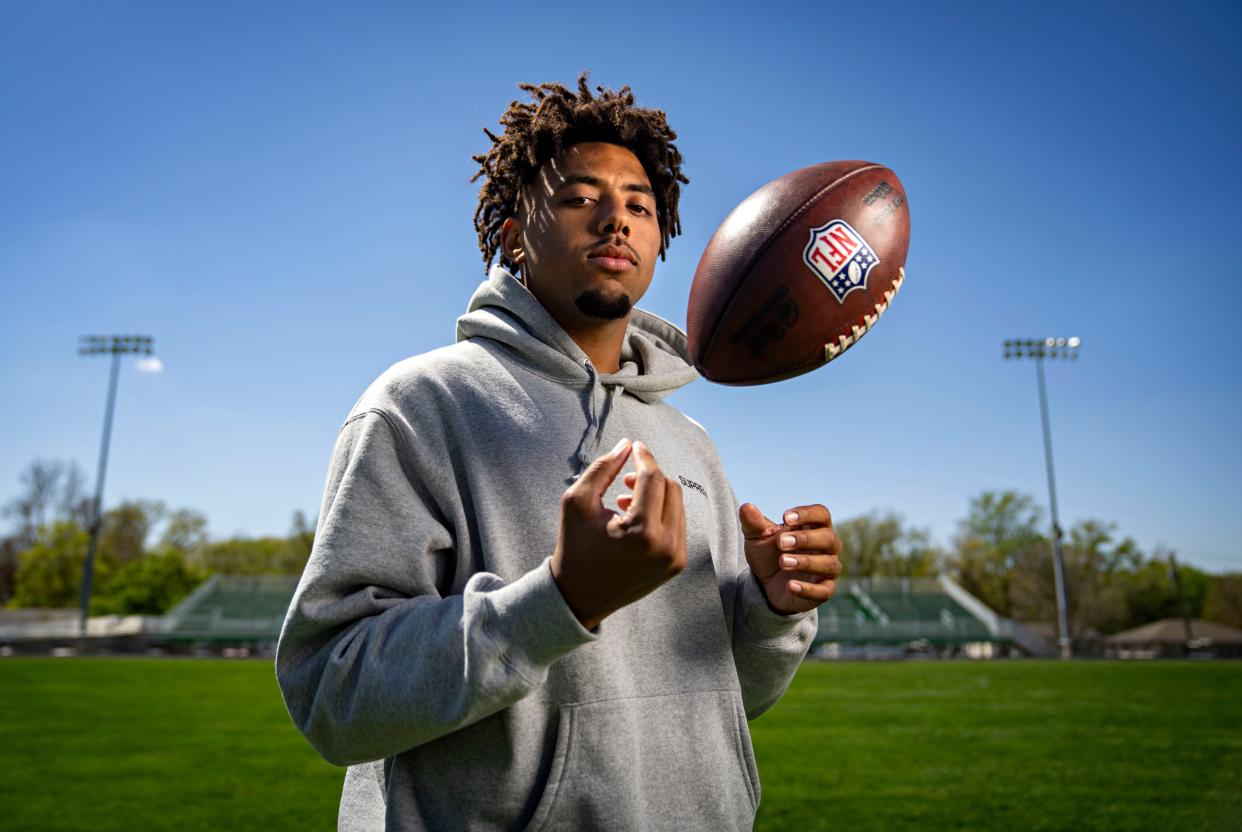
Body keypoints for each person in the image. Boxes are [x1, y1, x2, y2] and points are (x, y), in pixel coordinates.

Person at [276, 76, 843, 832]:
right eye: (581, 197)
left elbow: (719, 702)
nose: (618, 220)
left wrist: (772, 612)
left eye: (641, 206)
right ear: (513, 235)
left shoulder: (689, 442)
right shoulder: (419, 406)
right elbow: (333, 697)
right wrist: (561, 599)